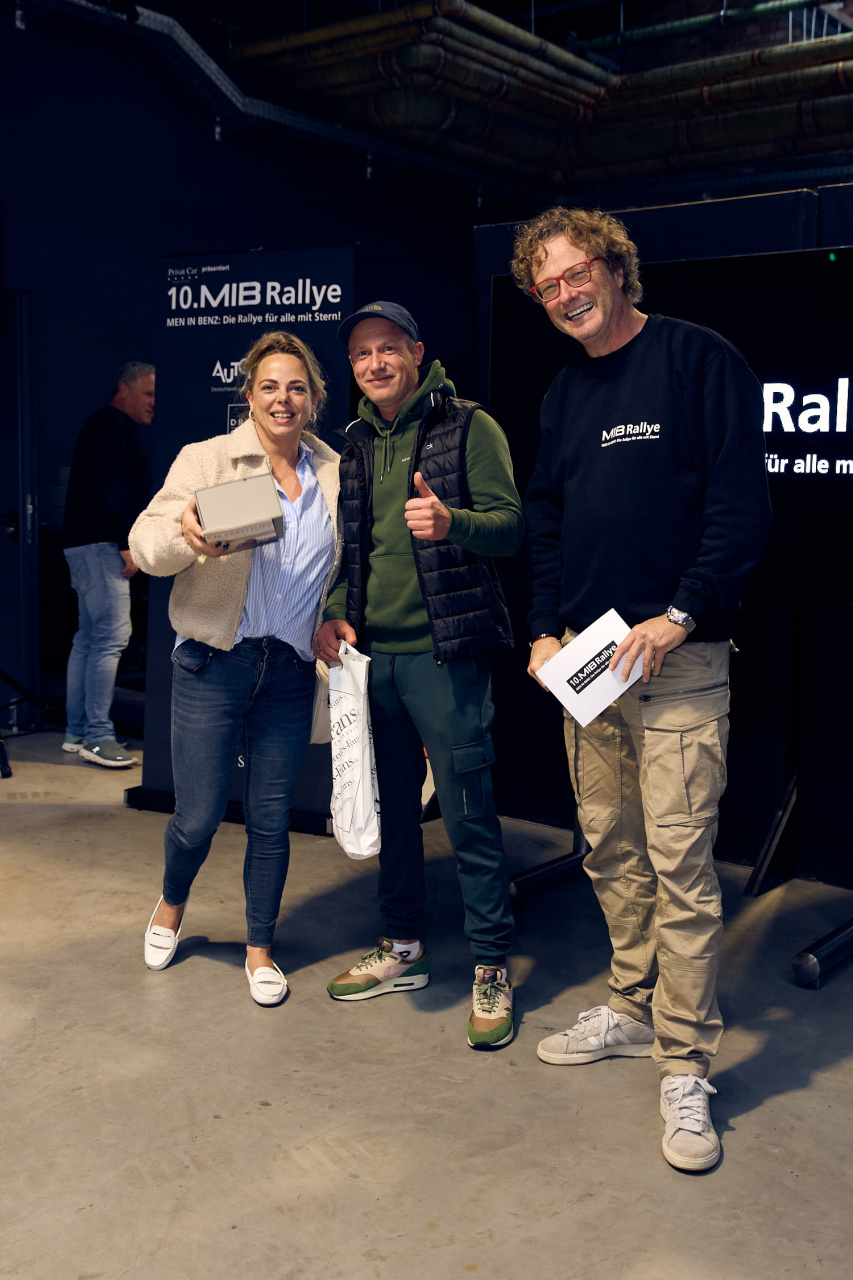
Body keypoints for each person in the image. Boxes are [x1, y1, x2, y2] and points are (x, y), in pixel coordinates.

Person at [514, 207, 771, 1170]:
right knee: (609, 846)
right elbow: (545, 518)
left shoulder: (697, 359)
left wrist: (680, 613)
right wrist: (543, 630)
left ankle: (683, 1062)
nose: (565, 293)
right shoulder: (563, 393)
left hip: (678, 656)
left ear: (615, 268)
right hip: (588, 661)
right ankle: (630, 1004)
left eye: (576, 272)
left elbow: (739, 507)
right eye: (546, 285)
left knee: (679, 864)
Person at [313, 301, 524, 1049]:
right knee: (393, 812)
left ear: (416, 352)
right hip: (374, 661)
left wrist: (451, 523)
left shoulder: (468, 426)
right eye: (361, 353)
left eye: (387, 348)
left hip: (446, 656)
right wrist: (333, 612)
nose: (374, 363)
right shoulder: (354, 443)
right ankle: (402, 947)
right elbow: (354, 553)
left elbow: (510, 526)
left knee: (467, 814)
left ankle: (491, 967)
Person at [129, 332, 341, 1006]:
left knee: (271, 818)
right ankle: (171, 901)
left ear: (314, 400)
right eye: (269, 386)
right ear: (249, 395)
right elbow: (145, 542)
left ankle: (259, 948)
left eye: (297, 387)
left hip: (289, 670)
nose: (283, 398)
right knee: (196, 816)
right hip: (213, 663)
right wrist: (186, 536)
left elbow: (345, 569)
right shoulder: (208, 460)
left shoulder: (336, 473)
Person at [62, 361, 155, 767]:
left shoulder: (105, 425)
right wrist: (125, 542)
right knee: (111, 637)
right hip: (102, 546)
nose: (154, 403)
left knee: (88, 638)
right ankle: (97, 736)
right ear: (123, 390)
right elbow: (109, 488)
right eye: (148, 393)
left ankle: (77, 731)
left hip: (85, 546)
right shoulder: (112, 425)